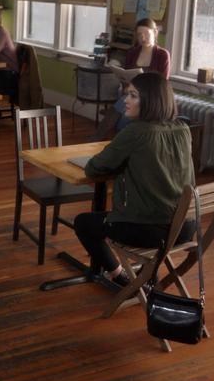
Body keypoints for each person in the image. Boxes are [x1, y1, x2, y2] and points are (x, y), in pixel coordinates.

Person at [73, 72, 195, 286]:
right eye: (126, 94)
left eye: (133, 96)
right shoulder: (183, 129)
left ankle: (118, 275)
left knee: (83, 223)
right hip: (184, 227)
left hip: (150, 230)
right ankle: (147, 277)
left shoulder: (136, 132)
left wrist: (122, 164)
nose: (125, 100)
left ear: (151, 100)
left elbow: (93, 168)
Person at [97, 18, 172, 138]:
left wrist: (140, 91)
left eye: (146, 34)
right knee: (123, 106)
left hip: (152, 98)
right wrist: (126, 84)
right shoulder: (132, 52)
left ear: (155, 32)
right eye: (139, 35)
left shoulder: (162, 55)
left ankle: (98, 139)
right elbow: (126, 76)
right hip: (133, 95)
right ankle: (106, 141)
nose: (142, 38)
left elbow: (163, 83)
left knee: (121, 111)